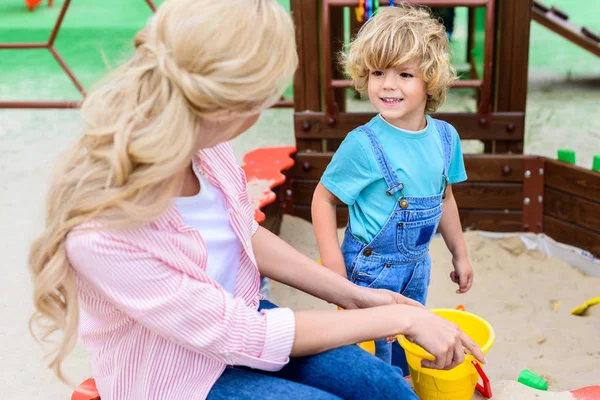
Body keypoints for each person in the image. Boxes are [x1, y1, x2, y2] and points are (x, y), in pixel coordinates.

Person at [28, 1, 484, 399]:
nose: (268, 105)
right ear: (227, 101)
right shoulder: (104, 230)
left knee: (383, 389)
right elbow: (242, 335)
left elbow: (243, 234)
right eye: (266, 96)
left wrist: (358, 296)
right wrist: (397, 321)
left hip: (246, 315)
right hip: (174, 374)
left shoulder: (205, 143)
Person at [312, 5, 474, 374]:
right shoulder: (364, 144)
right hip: (369, 270)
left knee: (409, 338)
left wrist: (460, 254)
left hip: (416, 265)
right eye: (377, 72)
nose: (388, 84)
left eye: (404, 74)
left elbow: (445, 198)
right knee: (370, 355)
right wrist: (333, 268)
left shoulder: (446, 138)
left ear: (430, 81)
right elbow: (323, 199)